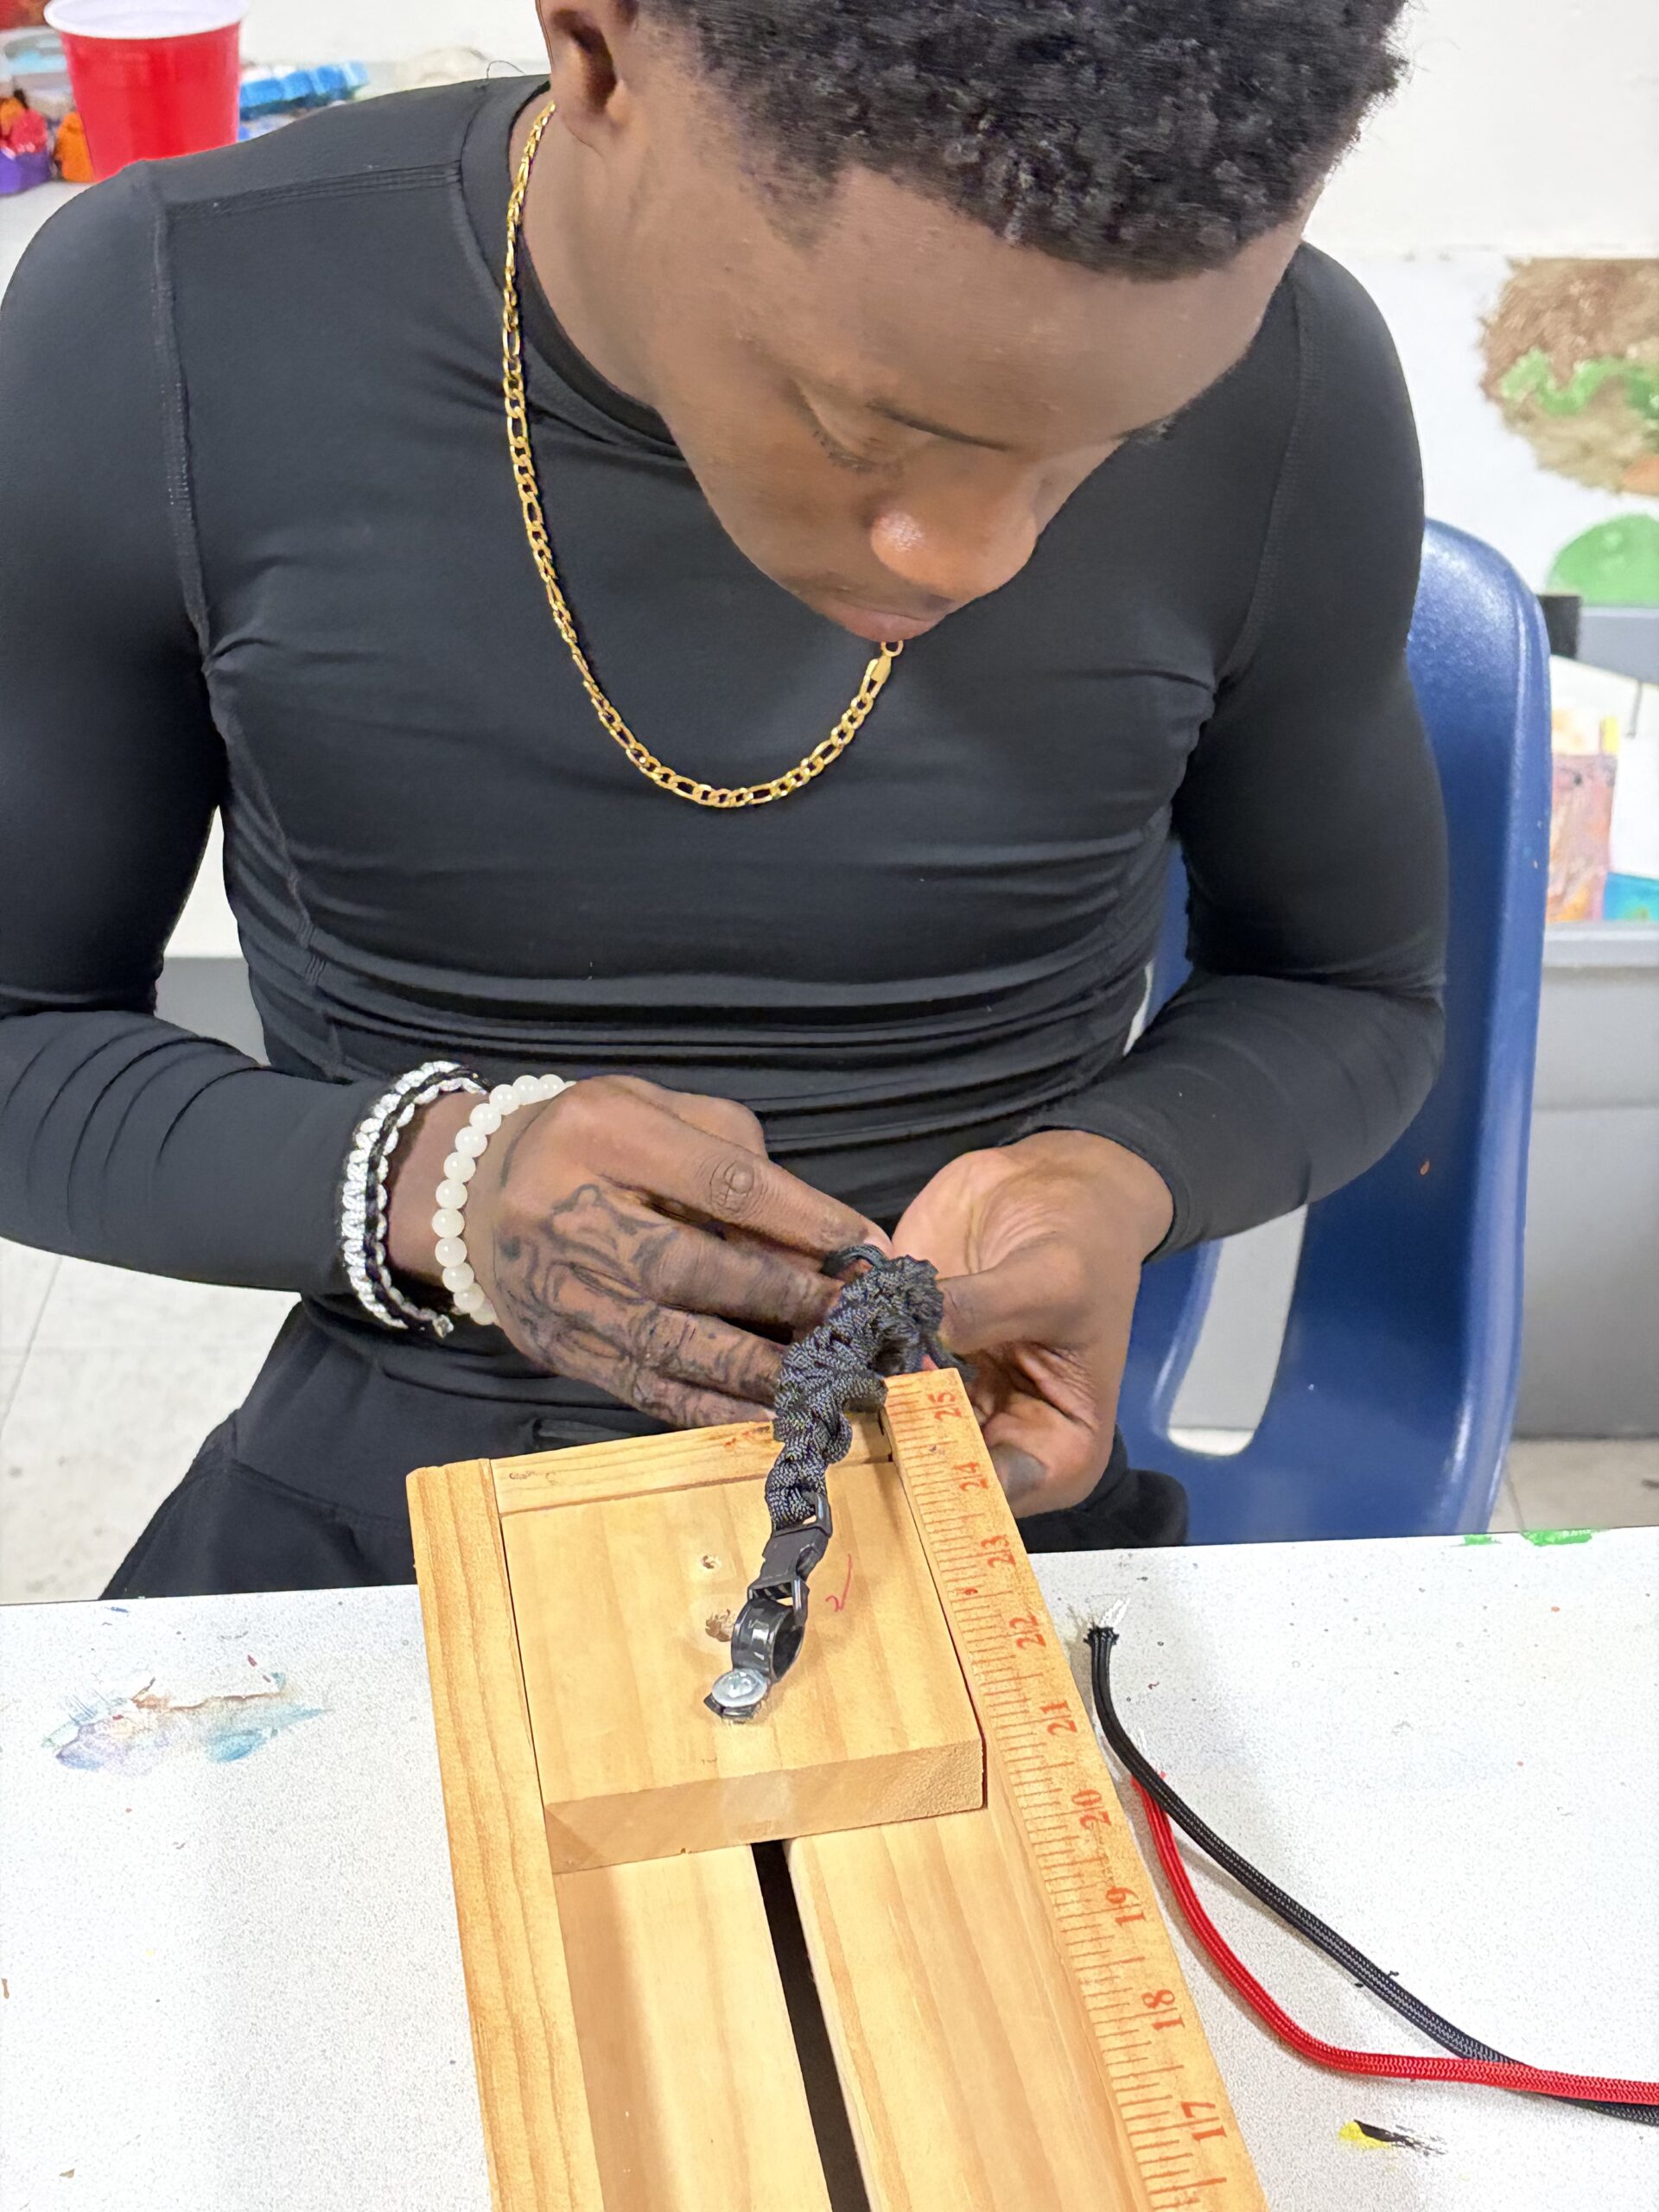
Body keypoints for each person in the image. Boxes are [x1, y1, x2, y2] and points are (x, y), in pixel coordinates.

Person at [0, 0, 1446, 1597]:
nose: (979, 557)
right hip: (398, 1484)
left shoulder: (1297, 376)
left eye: (1117, 442)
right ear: (599, 55)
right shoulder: (175, 319)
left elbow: (1347, 988)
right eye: (863, 422)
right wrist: (444, 1185)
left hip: (959, 1484)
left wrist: (1117, 1171)